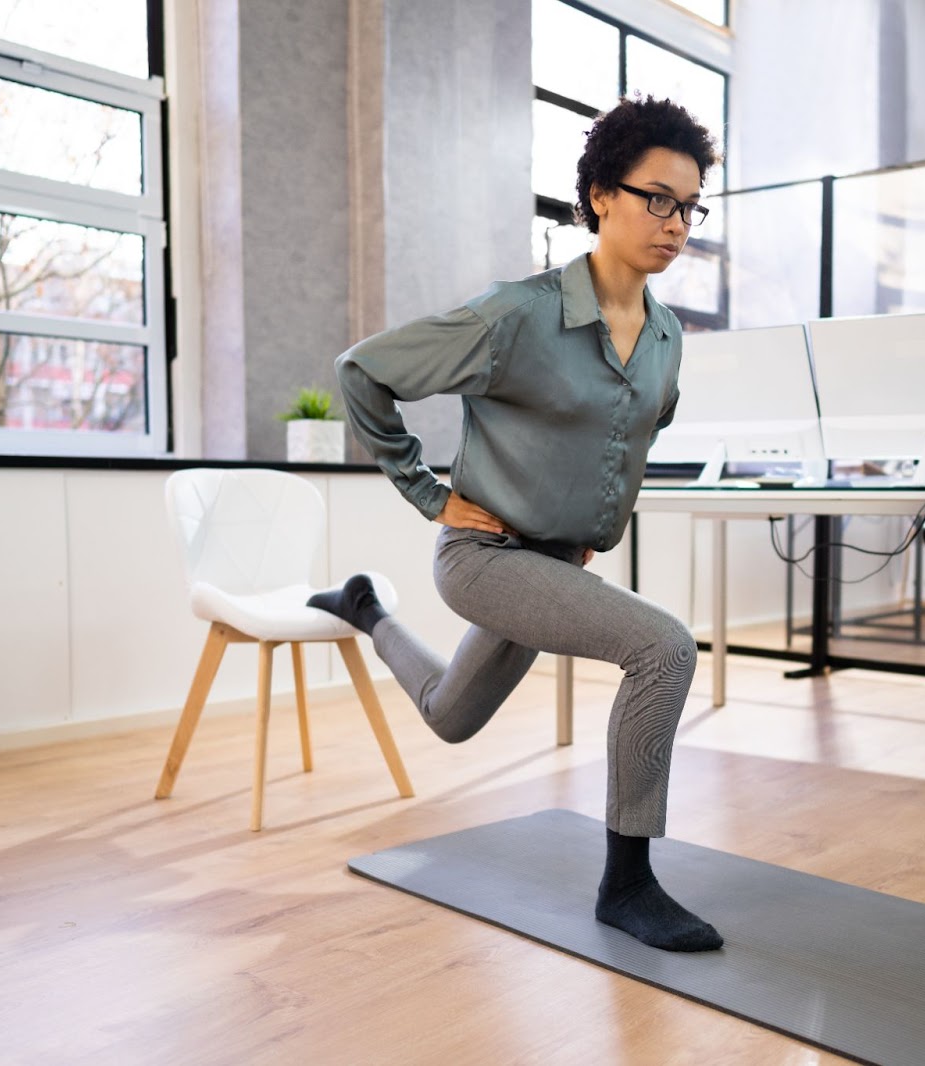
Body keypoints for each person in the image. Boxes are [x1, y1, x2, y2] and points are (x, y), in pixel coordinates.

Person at [307, 96, 722, 953]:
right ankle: (627, 884)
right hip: (486, 556)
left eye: (690, 207)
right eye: (657, 198)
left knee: (451, 718)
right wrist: (427, 490)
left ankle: (364, 610)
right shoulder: (518, 314)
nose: (675, 223)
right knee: (664, 649)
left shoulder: (669, 337)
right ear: (601, 195)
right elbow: (362, 371)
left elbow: (632, 428)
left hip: (556, 565)